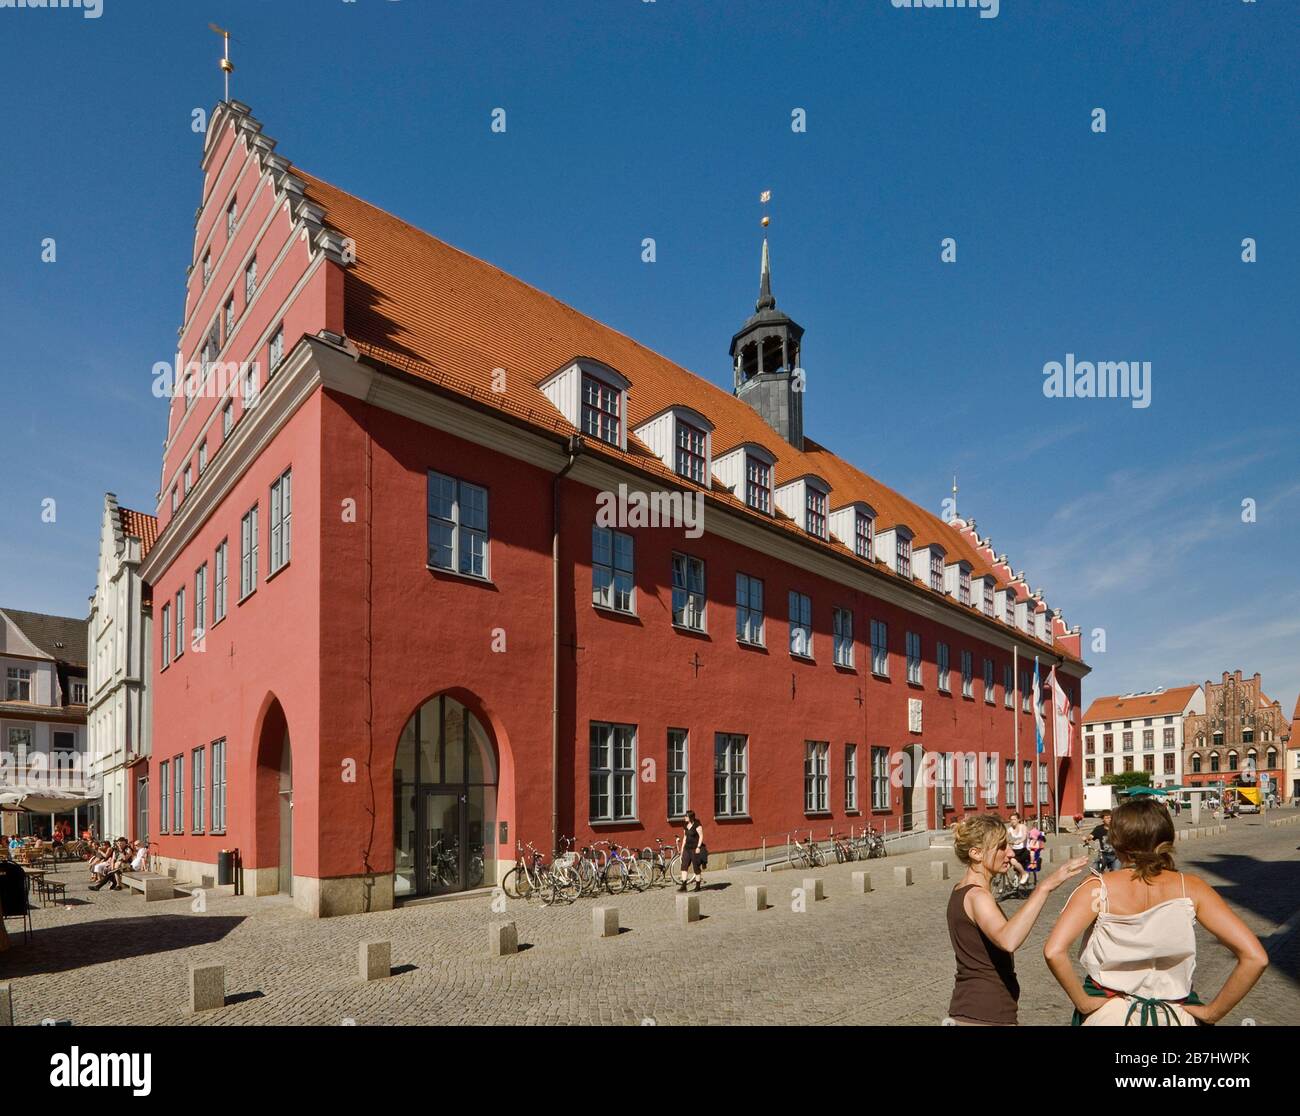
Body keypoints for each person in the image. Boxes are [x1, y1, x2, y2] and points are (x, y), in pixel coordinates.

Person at [1045, 797, 1268, 1026]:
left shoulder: (1097, 887)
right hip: (1174, 1016)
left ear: (1117, 840)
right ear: (1167, 837)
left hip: (1110, 1014)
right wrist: (1212, 1013)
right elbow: (1255, 957)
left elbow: (1054, 951)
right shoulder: (1192, 887)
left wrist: (1083, 1002)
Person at [946, 814, 1087, 1025]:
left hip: (970, 1008)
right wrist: (1044, 887)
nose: (1010, 853)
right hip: (987, 1013)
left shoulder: (960, 890)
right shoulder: (977, 896)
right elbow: (1008, 939)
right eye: (1001, 847)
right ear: (976, 853)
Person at [677, 810, 705, 893]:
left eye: (686, 816)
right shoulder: (685, 825)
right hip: (687, 849)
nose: (684, 817)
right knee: (684, 866)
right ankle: (684, 886)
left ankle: (698, 886)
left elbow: (701, 836)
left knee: (696, 867)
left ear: (690, 817)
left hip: (694, 849)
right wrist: (682, 849)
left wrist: (698, 847)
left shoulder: (697, 824)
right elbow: (685, 837)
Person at [1004, 812, 1031, 889]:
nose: (1012, 821)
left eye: (1014, 819)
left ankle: (1024, 874)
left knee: (1012, 860)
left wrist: (1020, 841)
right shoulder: (1010, 829)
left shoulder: (1023, 827)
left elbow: (1024, 837)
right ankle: (1006, 884)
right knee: (1004, 863)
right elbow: (1004, 835)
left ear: (1018, 820)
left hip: (1025, 850)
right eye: (1011, 819)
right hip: (1015, 850)